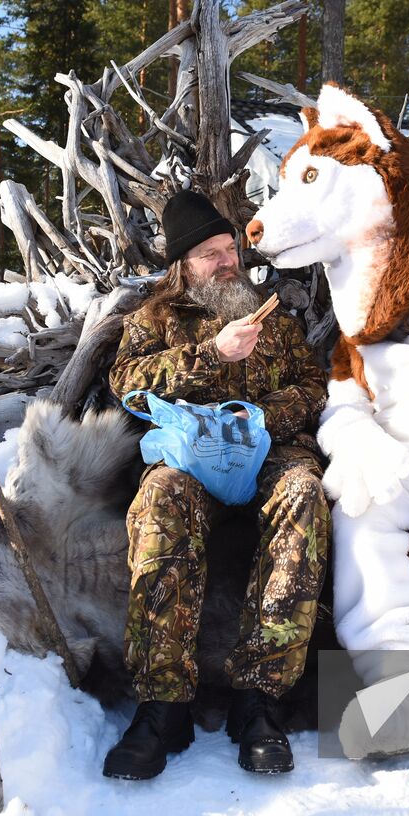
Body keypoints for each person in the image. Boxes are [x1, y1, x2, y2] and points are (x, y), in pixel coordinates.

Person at [103, 190, 331, 780]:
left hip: (269, 452)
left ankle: (260, 701)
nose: (228, 261)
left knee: (303, 491)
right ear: (182, 265)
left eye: (230, 249)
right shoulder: (153, 320)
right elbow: (128, 387)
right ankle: (163, 704)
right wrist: (210, 355)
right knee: (159, 498)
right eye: (210, 253)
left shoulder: (272, 316)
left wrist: (257, 420)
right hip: (192, 457)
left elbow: (314, 385)